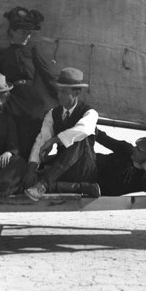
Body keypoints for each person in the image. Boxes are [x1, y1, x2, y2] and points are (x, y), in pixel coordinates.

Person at [0, 6, 59, 158]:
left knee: (36, 119)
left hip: (31, 98)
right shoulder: (2, 54)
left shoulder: (32, 51)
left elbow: (47, 75)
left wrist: (61, 95)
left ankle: (30, 161)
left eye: (29, 33)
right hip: (11, 97)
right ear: (12, 31)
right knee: (8, 121)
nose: (27, 36)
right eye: (23, 32)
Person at [22, 67, 100, 200]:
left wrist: (54, 140)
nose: (59, 95)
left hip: (83, 168)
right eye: (58, 90)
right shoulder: (53, 114)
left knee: (79, 139)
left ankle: (43, 185)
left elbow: (83, 129)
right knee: (27, 177)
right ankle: (82, 187)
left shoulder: (89, 113)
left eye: (64, 92)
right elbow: (42, 139)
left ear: (76, 93)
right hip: (61, 169)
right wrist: (32, 167)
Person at [94, 129, 146, 197]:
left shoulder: (144, 179)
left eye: (139, 149)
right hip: (91, 163)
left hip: (94, 188)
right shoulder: (127, 150)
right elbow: (102, 138)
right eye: (136, 146)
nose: (134, 149)